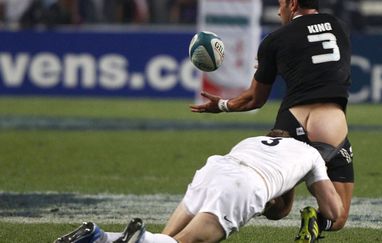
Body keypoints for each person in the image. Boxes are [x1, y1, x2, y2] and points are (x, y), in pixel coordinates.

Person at [190, 0, 354, 241]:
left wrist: (223, 105)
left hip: (290, 121)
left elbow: (255, 99)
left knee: (278, 208)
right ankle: (314, 219)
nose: (279, 11)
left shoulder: (273, 40)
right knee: (337, 216)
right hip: (329, 123)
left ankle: (224, 211)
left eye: (280, 4)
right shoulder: (339, 26)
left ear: (293, 4)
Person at [55, 130, 343, 243]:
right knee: (186, 242)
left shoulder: (254, 141)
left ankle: (98, 237)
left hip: (216, 168)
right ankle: (136, 238)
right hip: (247, 184)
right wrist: (304, 184)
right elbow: (332, 210)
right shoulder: (311, 155)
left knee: (167, 238)